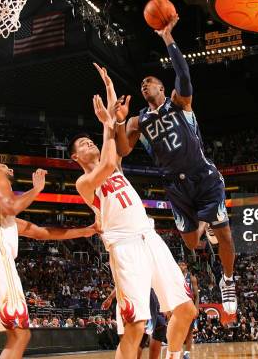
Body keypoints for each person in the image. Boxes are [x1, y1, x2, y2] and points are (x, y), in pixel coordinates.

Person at [70, 63, 197, 359]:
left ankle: (175, 355)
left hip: (148, 236)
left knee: (186, 309)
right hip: (124, 244)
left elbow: (114, 144)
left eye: (92, 140)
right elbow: (109, 159)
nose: (91, 144)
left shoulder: (114, 165)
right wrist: (106, 124)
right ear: (76, 156)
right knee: (136, 326)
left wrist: (109, 88)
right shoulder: (84, 182)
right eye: (84, 144)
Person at [112, 16, 237, 314]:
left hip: (203, 176)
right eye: (142, 83)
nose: (144, 85)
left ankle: (228, 279)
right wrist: (117, 121)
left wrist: (168, 38)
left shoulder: (179, 102)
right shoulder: (136, 121)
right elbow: (122, 150)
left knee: (226, 236)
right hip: (176, 185)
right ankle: (204, 224)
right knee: (193, 244)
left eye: (150, 82)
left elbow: (184, 74)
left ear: (161, 87)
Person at [0, 164, 100, 359]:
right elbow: (12, 206)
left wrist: (86, 231)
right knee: (20, 334)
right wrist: (37, 188)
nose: (8, 167)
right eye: (3, 165)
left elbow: (41, 232)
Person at [178, 261, 199, 359]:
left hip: (190, 307)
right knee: (178, 331)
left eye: (182, 264)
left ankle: (186, 353)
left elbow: (197, 295)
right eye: (179, 265)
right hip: (179, 307)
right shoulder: (175, 278)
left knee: (190, 331)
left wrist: (197, 308)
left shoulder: (191, 278)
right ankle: (177, 350)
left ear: (186, 266)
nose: (181, 266)